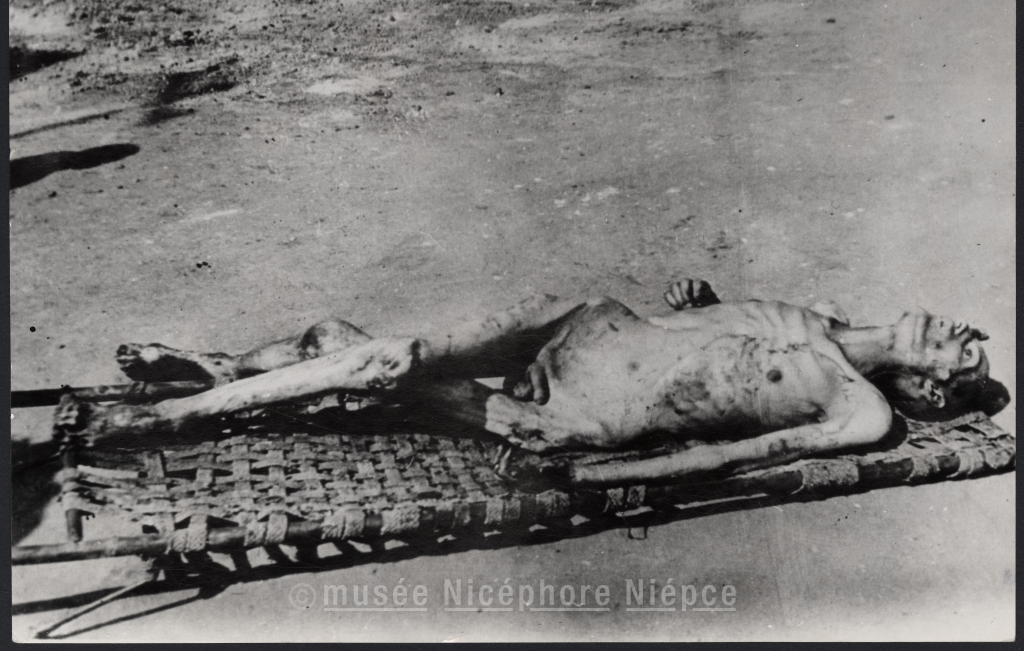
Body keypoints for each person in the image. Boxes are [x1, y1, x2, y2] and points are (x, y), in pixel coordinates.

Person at [66, 280, 1007, 485]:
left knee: (365, 357)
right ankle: (222, 370)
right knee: (365, 345)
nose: (964, 334)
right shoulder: (825, 318)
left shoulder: (862, 408)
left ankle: (180, 412)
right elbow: (730, 337)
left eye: (966, 357)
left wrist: (614, 476)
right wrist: (702, 299)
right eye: (971, 336)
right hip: (581, 323)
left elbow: (743, 453)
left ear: (930, 394)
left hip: (577, 412)